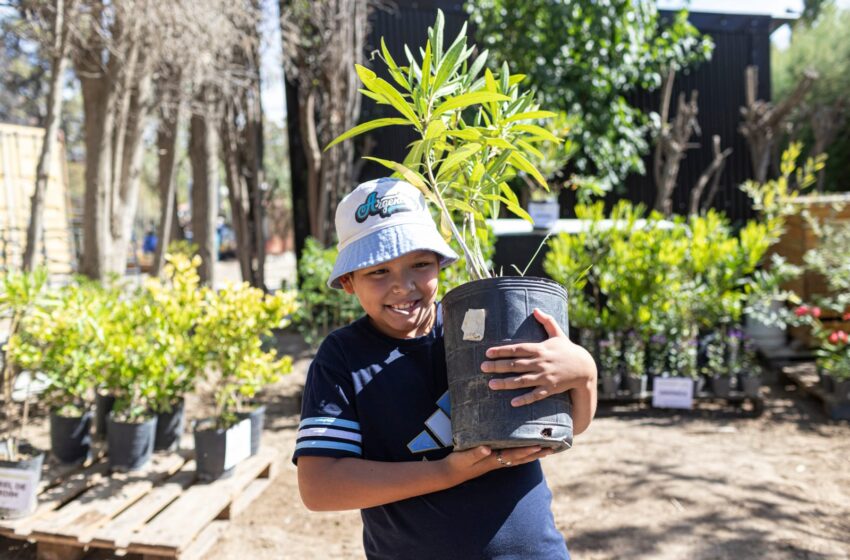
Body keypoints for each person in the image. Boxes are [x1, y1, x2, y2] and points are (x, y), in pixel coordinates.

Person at [293, 177, 597, 559]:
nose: (403, 285)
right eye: (378, 272)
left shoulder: (489, 327)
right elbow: (319, 487)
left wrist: (584, 374)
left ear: (440, 262)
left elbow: (569, 426)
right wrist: (448, 472)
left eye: (419, 264)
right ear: (348, 281)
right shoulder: (343, 358)